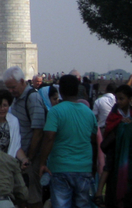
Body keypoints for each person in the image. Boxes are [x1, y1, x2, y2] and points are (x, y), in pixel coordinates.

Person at [39, 74, 98, 208]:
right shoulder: (88, 112)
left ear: (61, 91)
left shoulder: (55, 112)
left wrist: (42, 163)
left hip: (61, 167)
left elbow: (49, 138)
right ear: (78, 90)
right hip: (84, 167)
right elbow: (93, 139)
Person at [4, 66, 46, 208]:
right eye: (8, 88)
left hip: (30, 156)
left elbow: (38, 130)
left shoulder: (32, 98)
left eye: (13, 87)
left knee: (32, 197)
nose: (11, 91)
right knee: (21, 196)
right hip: (21, 155)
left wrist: (30, 157)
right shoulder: (17, 98)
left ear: (22, 81)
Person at [99, 84, 131, 207]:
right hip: (115, 148)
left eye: (121, 99)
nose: (118, 101)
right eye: (117, 99)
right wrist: (121, 124)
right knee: (109, 168)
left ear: (130, 99)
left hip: (128, 151)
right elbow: (109, 127)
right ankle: (99, 193)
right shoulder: (114, 112)